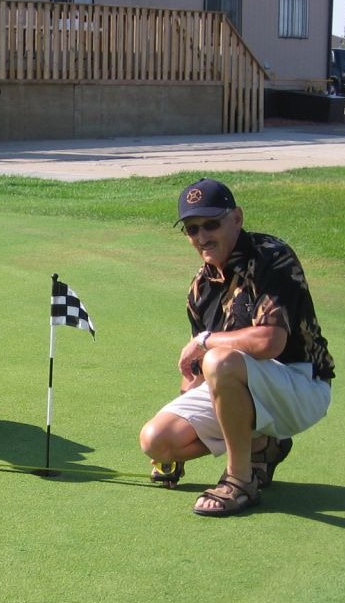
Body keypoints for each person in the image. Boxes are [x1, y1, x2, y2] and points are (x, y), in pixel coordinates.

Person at [139, 178, 334, 517]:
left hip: (301, 385)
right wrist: (174, 446)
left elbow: (270, 341)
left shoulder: (271, 257)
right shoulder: (200, 287)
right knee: (156, 440)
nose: (202, 236)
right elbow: (198, 373)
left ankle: (240, 480)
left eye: (211, 224)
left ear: (237, 218)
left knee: (220, 360)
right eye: (192, 229)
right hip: (240, 384)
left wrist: (203, 342)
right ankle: (261, 445)